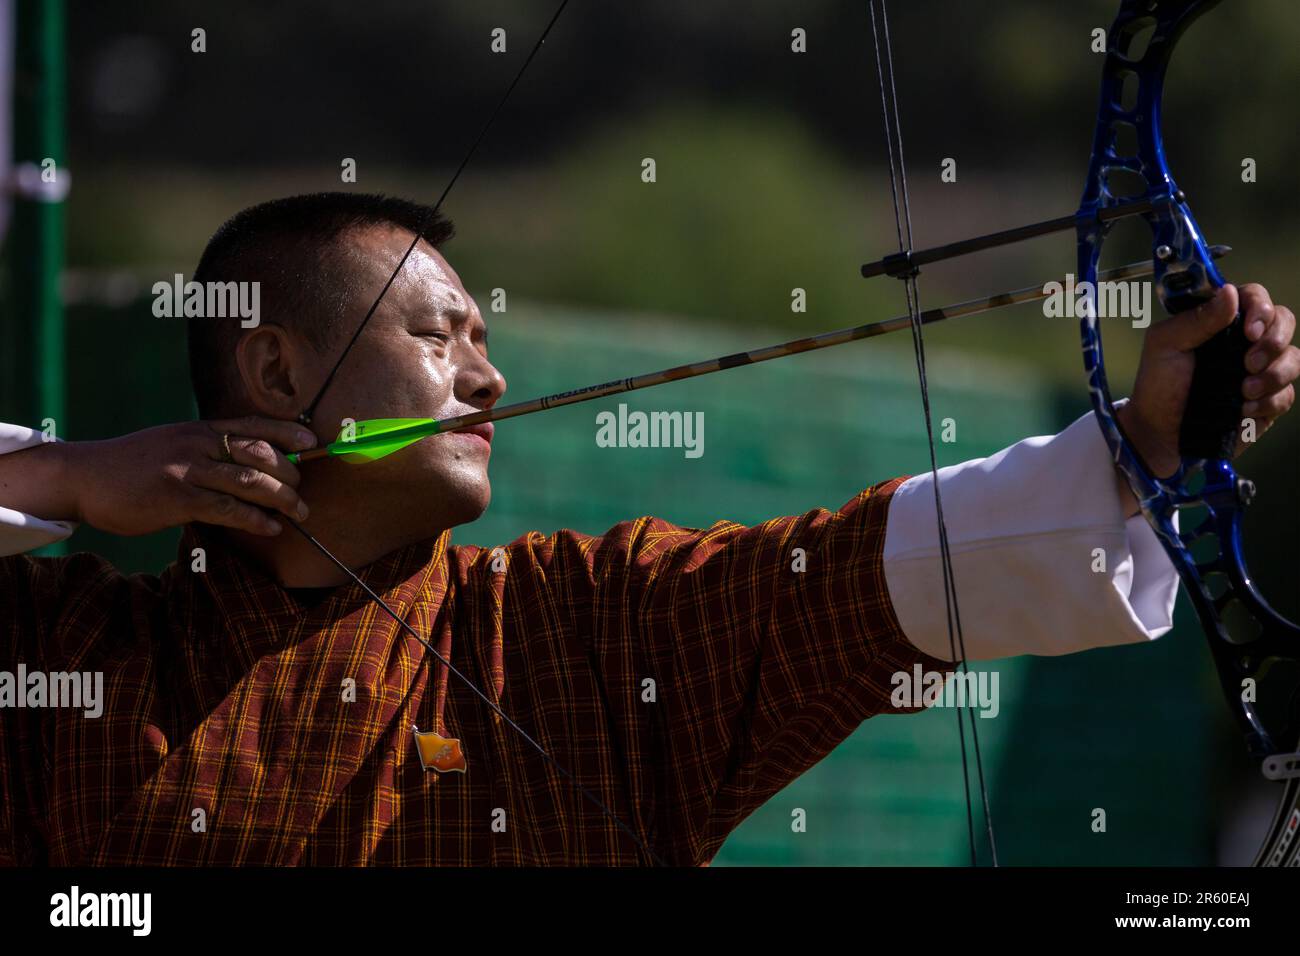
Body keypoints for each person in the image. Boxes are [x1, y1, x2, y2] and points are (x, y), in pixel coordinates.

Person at [0, 193, 1295, 865]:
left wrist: (1148, 439)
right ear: (274, 377)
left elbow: (870, 570)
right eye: (437, 336)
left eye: (490, 342)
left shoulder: (584, 630)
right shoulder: (71, 662)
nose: (487, 379)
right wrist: (57, 481)